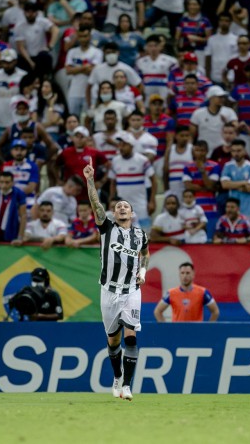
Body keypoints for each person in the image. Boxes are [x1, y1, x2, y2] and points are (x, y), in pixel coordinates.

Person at [84, 157, 148, 401]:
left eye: (126, 206)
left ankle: (128, 386)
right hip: (108, 291)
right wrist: (90, 180)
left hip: (132, 290)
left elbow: (146, 255)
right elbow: (95, 204)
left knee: (131, 334)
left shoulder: (141, 235)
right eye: (118, 206)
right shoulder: (106, 228)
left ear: (132, 213)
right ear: (113, 213)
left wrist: (143, 272)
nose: (122, 208)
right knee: (114, 340)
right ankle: (117, 376)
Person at [108, 132, 156, 230]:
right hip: (121, 205)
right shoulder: (115, 161)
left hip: (140, 204)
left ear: (132, 145)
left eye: (124, 145)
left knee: (144, 234)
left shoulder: (142, 160)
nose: (121, 147)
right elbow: (112, 183)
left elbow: (153, 181)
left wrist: (152, 201)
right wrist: (111, 199)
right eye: (120, 145)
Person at [154, 262, 219, 323]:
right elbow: (157, 311)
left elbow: (215, 311)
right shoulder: (171, 293)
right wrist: (166, 328)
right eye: (182, 273)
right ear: (179, 275)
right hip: (177, 331)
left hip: (196, 332)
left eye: (188, 273)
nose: (185, 276)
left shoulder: (203, 292)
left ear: (193, 274)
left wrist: (208, 328)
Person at [0, 171, 27, 246]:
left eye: (7, 182)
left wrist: (20, 238)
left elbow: (23, 216)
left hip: (12, 232)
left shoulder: (19, 193)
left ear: (12, 183)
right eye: (1, 182)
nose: (4, 185)